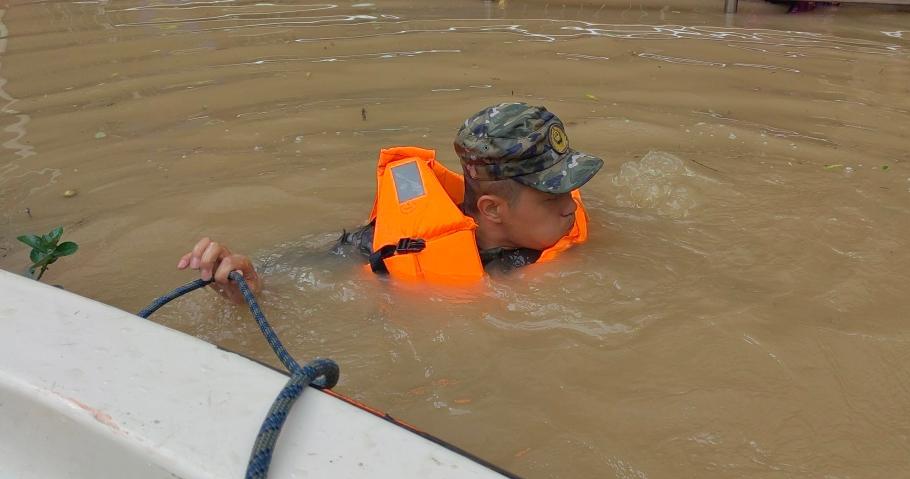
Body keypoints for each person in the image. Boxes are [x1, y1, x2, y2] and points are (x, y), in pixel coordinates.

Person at [176, 102, 603, 301]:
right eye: (552, 194)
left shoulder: (569, 231)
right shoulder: (391, 249)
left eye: (569, 185)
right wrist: (245, 284)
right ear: (492, 208)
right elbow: (302, 277)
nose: (570, 205)